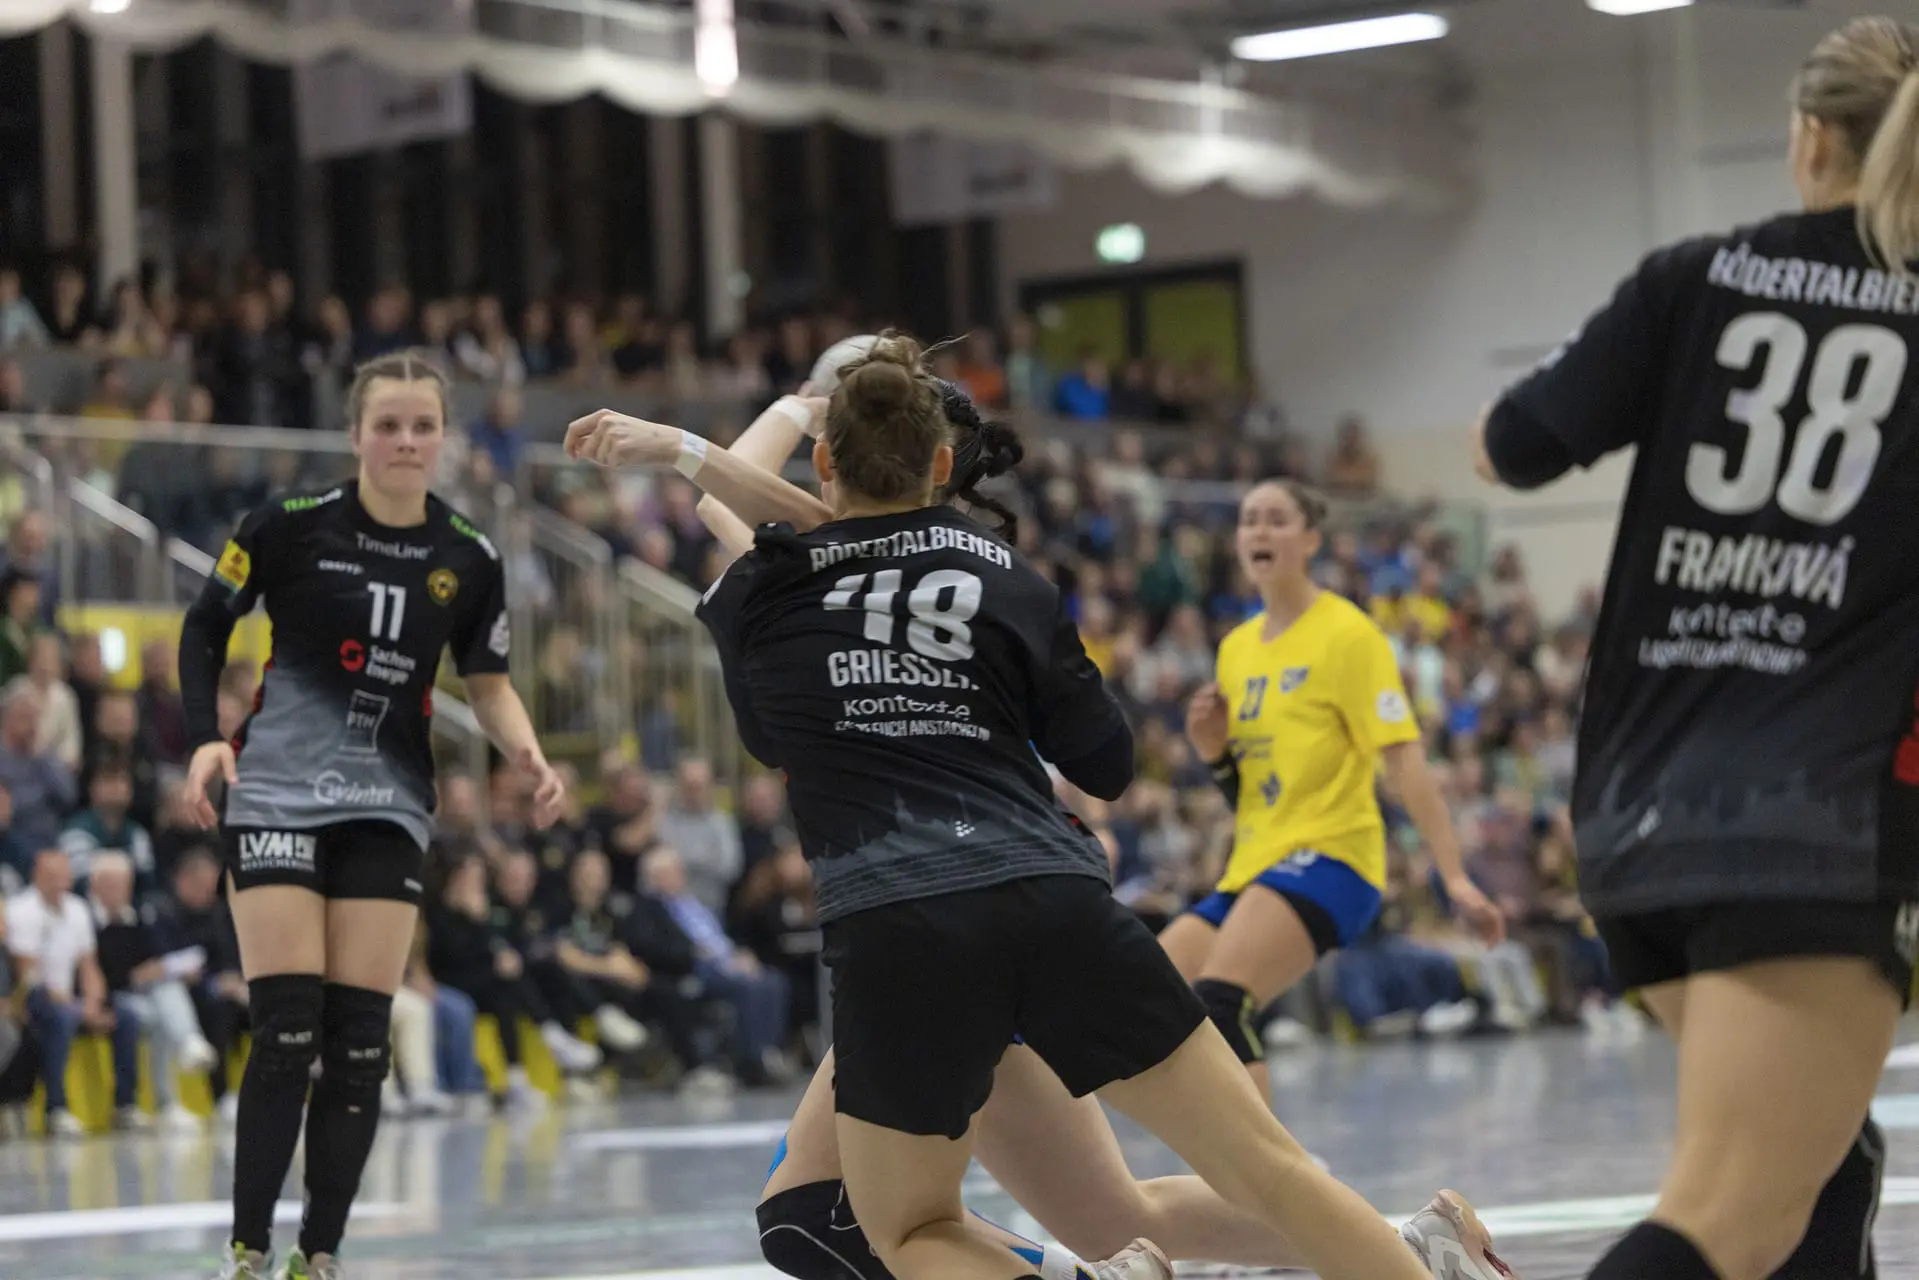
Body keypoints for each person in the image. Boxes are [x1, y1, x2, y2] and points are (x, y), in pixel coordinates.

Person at [567, 335, 1507, 1280]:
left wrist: (737, 427)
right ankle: (1405, 1251)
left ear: (825, 460)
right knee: (1193, 1190)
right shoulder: (998, 573)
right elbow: (1106, 761)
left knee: (854, 1220)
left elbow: (742, 536)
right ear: (940, 462)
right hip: (1048, 899)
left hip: (908, 925)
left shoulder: (772, 592)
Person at [1473, 18, 1919, 1280]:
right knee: (1728, 1213)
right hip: (1814, 813)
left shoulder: (1692, 277)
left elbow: (1511, 444)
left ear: (1807, 136)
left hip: (1636, 812)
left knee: (1815, 1165)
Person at [178, 350, 564, 1280]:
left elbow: (489, 681)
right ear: (355, 434)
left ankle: (320, 1255)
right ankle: (247, 1250)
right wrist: (203, 738)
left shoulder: (468, 555)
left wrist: (527, 751)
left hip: (386, 805)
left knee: (359, 1046)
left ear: (444, 439)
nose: (404, 441)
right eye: (387, 425)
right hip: (276, 793)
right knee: (287, 1030)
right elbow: (204, 625)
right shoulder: (286, 525)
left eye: (422, 426)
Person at [1170, 478, 1502, 1101]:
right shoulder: (1237, 649)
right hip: (1256, 865)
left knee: (1219, 1002)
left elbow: (1404, 760)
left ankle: (1267, 1164)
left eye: (1276, 519)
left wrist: (1454, 876)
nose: (1259, 530)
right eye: (1249, 519)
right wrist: (1213, 752)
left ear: (1311, 540)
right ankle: (1231, 1156)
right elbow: (1250, 794)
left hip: (1334, 857)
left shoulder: (1348, 634)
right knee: (1149, 1000)